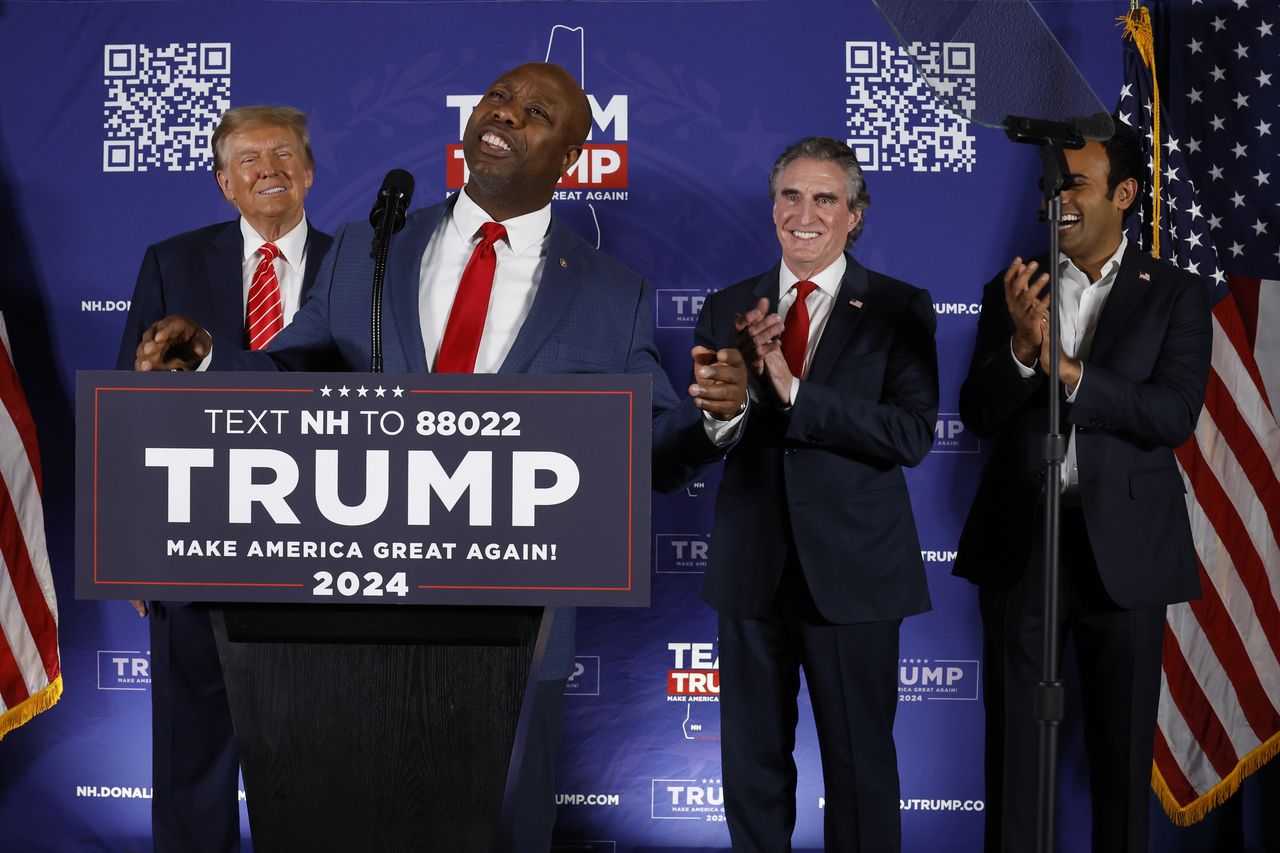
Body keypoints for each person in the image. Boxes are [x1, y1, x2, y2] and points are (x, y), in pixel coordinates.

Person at [134, 62, 748, 851]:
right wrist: (214, 359)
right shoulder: (368, 246)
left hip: (517, 634)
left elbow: (658, 449)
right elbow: (290, 376)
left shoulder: (608, 292)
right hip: (354, 618)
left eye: (535, 112)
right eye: (498, 96)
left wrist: (717, 421)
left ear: (570, 158)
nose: (504, 114)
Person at [953, 124, 1212, 852]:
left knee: (1120, 757)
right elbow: (977, 413)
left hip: (1126, 554)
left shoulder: (1176, 296)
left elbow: (1171, 414)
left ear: (1124, 194)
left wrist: (1067, 371)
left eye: (1074, 185)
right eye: (1052, 186)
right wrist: (1020, 353)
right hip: (1022, 547)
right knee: (1014, 753)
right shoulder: (1014, 289)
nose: (1056, 199)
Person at [694, 136, 938, 852]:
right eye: (791, 196)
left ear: (855, 215)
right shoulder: (730, 305)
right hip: (751, 568)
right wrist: (730, 408)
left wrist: (792, 387)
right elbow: (705, 430)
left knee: (861, 770)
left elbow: (910, 433)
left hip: (856, 574)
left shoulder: (899, 307)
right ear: (773, 207)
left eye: (825, 197)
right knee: (752, 769)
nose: (805, 213)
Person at [115, 105, 332, 853]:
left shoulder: (364, 266)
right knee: (190, 757)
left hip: (324, 552)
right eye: (247, 159)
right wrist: (135, 543)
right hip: (190, 547)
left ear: (308, 171)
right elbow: (129, 406)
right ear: (223, 183)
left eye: (282, 153)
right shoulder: (170, 262)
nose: (267, 167)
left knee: (315, 762)